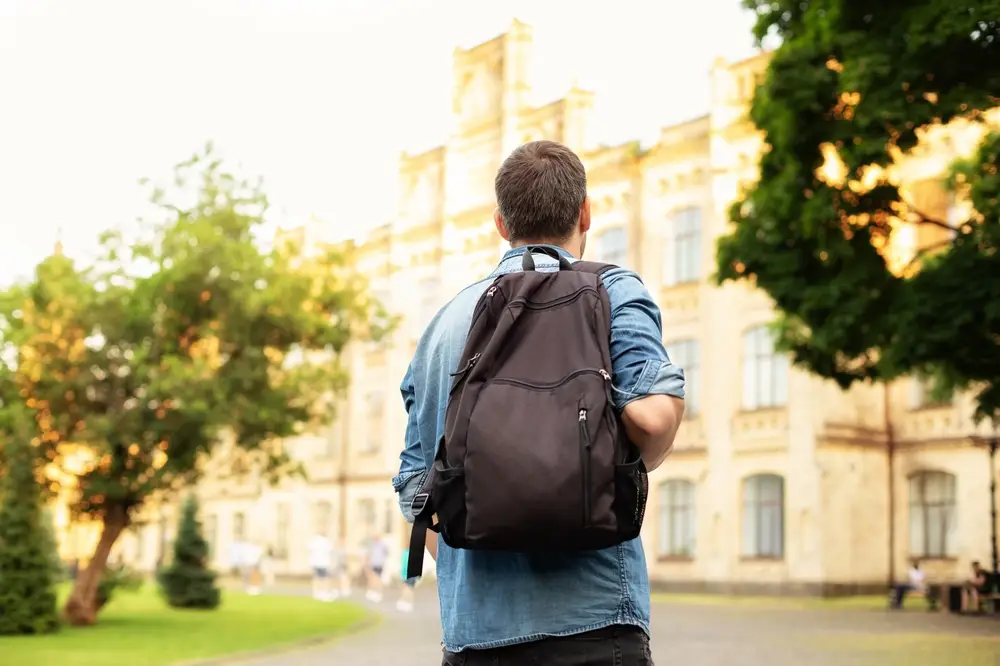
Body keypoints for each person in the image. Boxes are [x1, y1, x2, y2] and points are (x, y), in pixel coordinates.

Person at [393, 140, 685, 665]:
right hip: (595, 623)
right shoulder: (612, 291)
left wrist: (479, 548)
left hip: (474, 637)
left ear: (501, 224)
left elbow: (417, 488)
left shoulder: (443, 327)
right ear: (586, 213)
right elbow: (653, 414)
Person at [308, 532, 335, 601]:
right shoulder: (326, 541)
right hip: (323, 562)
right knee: (324, 578)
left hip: (316, 562)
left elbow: (310, 550)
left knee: (317, 577)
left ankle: (316, 592)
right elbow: (330, 550)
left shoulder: (314, 541)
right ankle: (324, 592)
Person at [365, 533, 389, 603]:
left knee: (378, 578)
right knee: (372, 578)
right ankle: (372, 591)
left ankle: (378, 593)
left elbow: (387, 553)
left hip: (379, 564)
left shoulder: (383, 545)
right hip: (373, 563)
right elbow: (369, 553)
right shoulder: (372, 545)